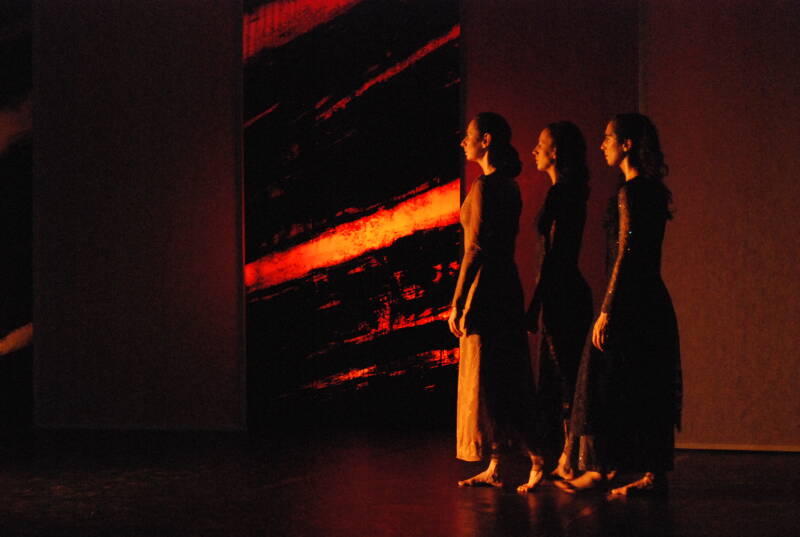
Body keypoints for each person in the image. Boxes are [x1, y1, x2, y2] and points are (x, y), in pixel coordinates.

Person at [557, 113, 681, 495]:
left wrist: (608, 310)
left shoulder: (631, 192)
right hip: (650, 301)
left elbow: (626, 255)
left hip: (631, 304)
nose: (602, 144)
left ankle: (603, 468)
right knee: (645, 383)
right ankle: (641, 472)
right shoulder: (652, 191)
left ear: (627, 144)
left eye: (608, 137)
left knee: (602, 382)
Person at [449, 112, 542, 493]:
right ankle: (500, 463)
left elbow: (476, 248)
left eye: (468, 136)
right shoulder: (507, 185)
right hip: (504, 284)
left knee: (492, 377)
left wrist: (458, 301)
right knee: (501, 373)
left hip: (487, 288)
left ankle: (536, 455)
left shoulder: (487, 187)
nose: (463, 142)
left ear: (485, 140)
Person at [525, 122, 593, 480]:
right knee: (563, 376)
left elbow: (555, 255)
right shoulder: (569, 192)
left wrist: (536, 303)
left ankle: (571, 457)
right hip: (562, 291)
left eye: (541, 144)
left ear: (556, 152)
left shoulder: (562, 194)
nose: (534, 150)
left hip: (560, 294)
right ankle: (568, 456)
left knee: (564, 376)